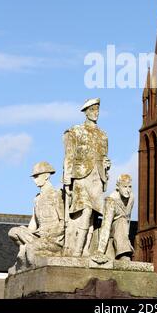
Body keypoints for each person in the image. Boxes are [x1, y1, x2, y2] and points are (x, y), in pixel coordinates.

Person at [63, 98, 110, 256]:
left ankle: (85, 250)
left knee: (94, 214)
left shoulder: (103, 135)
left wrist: (106, 166)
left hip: (97, 177)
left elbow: (104, 157)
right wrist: (67, 178)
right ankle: (76, 250)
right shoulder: (75, 131)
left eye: (97, 110)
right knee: (86, 210)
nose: (95, 113)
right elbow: (69, 155)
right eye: (92, 110)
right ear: (85, 112)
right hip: (81, 175)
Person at [8, 162, 64, 271]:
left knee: (30, 248)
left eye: (37, 176)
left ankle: (29, 265)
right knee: (13, 232)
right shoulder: (37, 198)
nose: (35, 180)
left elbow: (63, 221)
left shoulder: (56, 195)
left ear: (47, 176)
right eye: (34, 177)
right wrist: (27, 232)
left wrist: (52, 235)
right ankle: (24, 249)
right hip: (38, 235)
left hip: (52, 238)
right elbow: (33, 222)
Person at [92, 174, 134, 263]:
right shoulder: (111, 201)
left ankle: (124, 250)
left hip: (122, 230)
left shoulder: (131, 198)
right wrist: (100, 251)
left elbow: (128, 220)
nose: (128, 190)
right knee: (121, 220)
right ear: (118, 187)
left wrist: (127, 239)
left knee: (123, 220)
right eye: (125, 187)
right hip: (110, 229)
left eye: (130, 187)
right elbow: (106, 225)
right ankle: (123, 253)